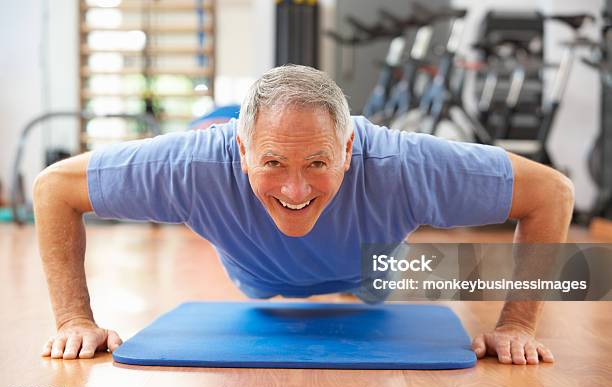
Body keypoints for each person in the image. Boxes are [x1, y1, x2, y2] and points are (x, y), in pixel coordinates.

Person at [34, 65, 572, 364]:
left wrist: (516, 324)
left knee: (405, 277)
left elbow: (551, 193)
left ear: (349, 146)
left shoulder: (405, 165)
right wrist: (74, 320)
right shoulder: (190, 166)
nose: (295, 187)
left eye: (318, 161)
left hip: (373, 267)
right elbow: (55, 187)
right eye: (271, 162)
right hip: (258, 278)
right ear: (241, 149)